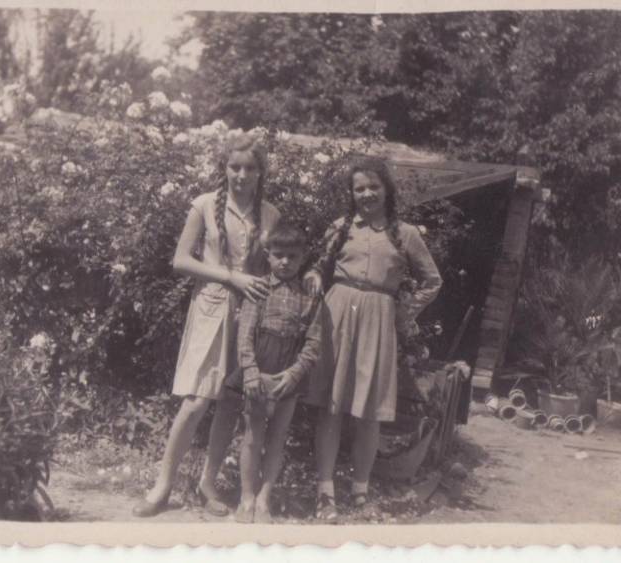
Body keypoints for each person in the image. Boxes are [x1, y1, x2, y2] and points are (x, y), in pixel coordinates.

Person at [132, 132, 281, 518]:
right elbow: (181, 260)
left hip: (251, 314)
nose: (242, 175)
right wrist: (231, 277)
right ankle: (163, 485)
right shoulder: (203, 205)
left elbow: (278, 264)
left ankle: (207, 483)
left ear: (261, 172)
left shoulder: (270, 214)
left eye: (250, 168)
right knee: (197, 400)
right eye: (235, 167)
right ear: (224, 168)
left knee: (229, 402)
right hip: (212, 308)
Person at [303, 156, 442, 521]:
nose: (366, 194)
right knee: (331, 405)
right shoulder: (341, 227)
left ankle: (360, 491)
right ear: (351, 193)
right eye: (359, 188)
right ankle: (324, 493)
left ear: (386, 190)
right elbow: (319, 265)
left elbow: (432, 280)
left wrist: (404, 311)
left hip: (379, 319)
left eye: (373, 187)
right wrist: (315, 276)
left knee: (370, 410)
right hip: (337, 314)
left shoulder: (405, 234)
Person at [230, 221, 323, 524]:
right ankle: (246, 497)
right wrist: (250, 372)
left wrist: (295, 373)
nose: (285, 262)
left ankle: (264, 499)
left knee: (278, 436)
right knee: (253, 435)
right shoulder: (259, 289)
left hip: (288, 373)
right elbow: (244, 335)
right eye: (278, 255)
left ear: (303, 257)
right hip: (259, 368)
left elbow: (314, 341)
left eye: (292, 256)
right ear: (268, 255)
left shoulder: (309, 295)